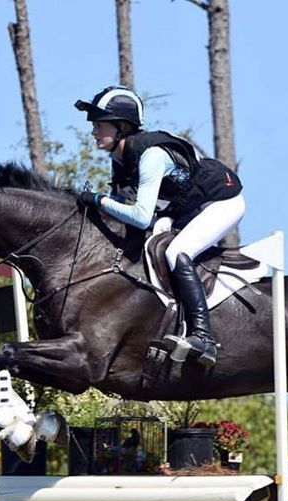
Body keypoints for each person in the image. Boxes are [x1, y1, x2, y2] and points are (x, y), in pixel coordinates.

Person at [74, 86, 245, 367]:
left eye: (99, 124)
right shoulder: (120, 160)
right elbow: (122, 210)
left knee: (176, 252)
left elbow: (140, 216)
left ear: (122, 127)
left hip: (221, 202)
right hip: (185, 209)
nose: (93, 131)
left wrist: (98, 200)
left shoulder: (150, 156)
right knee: (152, 242)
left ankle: (204, 337)